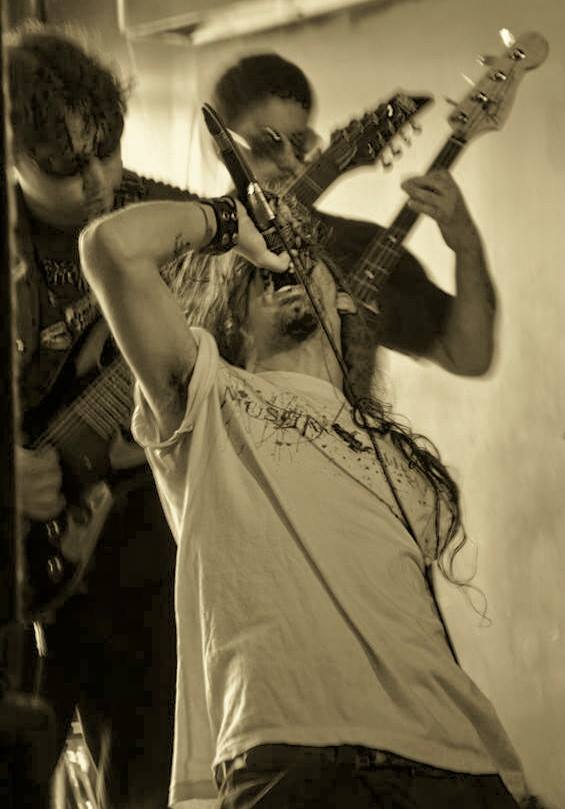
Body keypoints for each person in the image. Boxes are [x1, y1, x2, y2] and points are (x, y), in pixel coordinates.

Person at [79, 187, 533, 808]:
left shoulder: (397, 458)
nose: (280, 268)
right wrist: (230, 225)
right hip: (294, 762)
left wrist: (467, 242)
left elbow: (471, 350)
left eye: (301, 261)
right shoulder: (209, 397)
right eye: (257, 277)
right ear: (232, 321)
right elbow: (111, 248)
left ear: (342, 301)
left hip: (459, 764)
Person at [6, 21, 199, 808]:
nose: (96, 181)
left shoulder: (153, 212)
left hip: (133, 545)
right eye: (65, 165)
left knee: (147, 771)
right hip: (21, 572)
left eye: (107, 152)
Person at [210, 53, 497, 378]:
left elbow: (468, 355)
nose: (290, 162)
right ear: (221, 145)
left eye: (300, 144)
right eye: (269, 143)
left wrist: (466, 243)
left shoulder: (354, 246)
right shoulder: (185, 244)